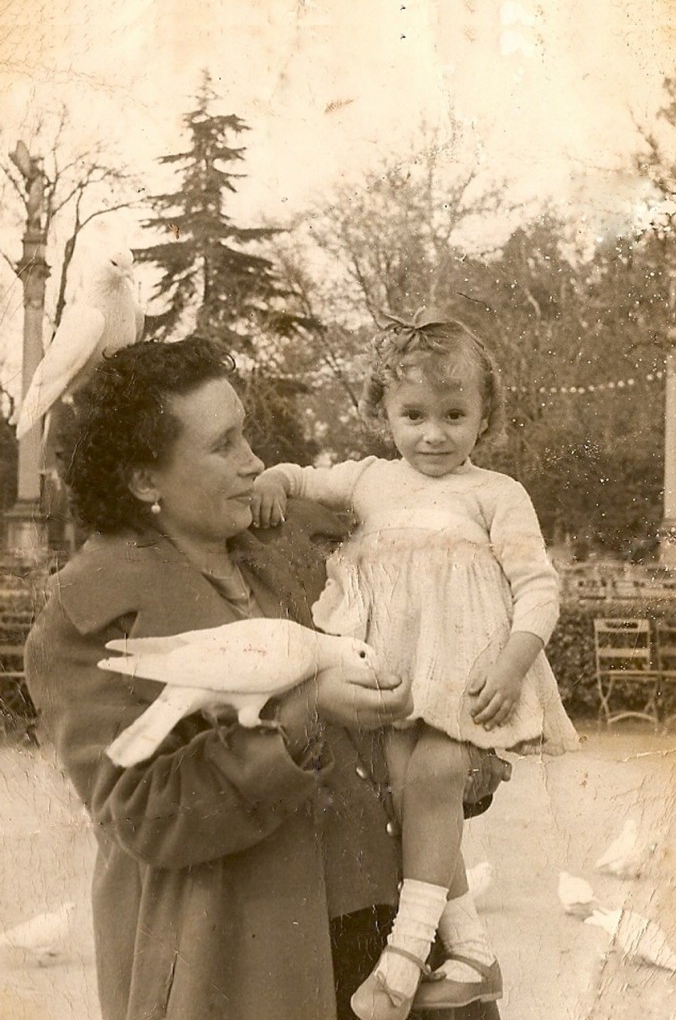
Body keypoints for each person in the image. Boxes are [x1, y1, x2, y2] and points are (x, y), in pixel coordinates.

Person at [24, 337, 509, 1020]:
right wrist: (304, 715)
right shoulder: (87, 616)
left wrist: (460, 751)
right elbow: (145, 816)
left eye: (245, 434)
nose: (253, 461)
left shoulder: (295, 556)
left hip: (396, 945)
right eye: (222, 445)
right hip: (248, 967)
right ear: (145, 481)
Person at [252, 313, 580, 1020]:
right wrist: (275, 479)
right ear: (385, 414)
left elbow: (537, 587)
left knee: (433, 778)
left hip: (470, 678)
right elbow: (300, 477)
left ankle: (402, 959)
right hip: (398, 684)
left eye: (454, 415)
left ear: (485, 416)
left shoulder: (496, 493)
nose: (434, 435)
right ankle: (472, 952)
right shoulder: (368, 479)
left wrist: (513, 664)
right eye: (414, 415)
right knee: (410, 803)